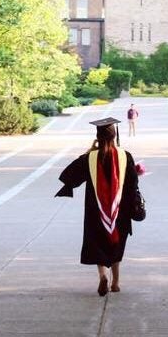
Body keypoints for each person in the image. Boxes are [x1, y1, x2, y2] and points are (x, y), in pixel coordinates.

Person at [56, 117, 141, 296]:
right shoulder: (125, 156)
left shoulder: (90, 157)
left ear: (98, 136)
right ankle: (116, 282)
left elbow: (69, 174)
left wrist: (69, 184)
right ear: (114, 135)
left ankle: (102, 276)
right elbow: (133, 183)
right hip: (121, 210)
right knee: (116, 242)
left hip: (96, 210)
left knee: (98, 242)